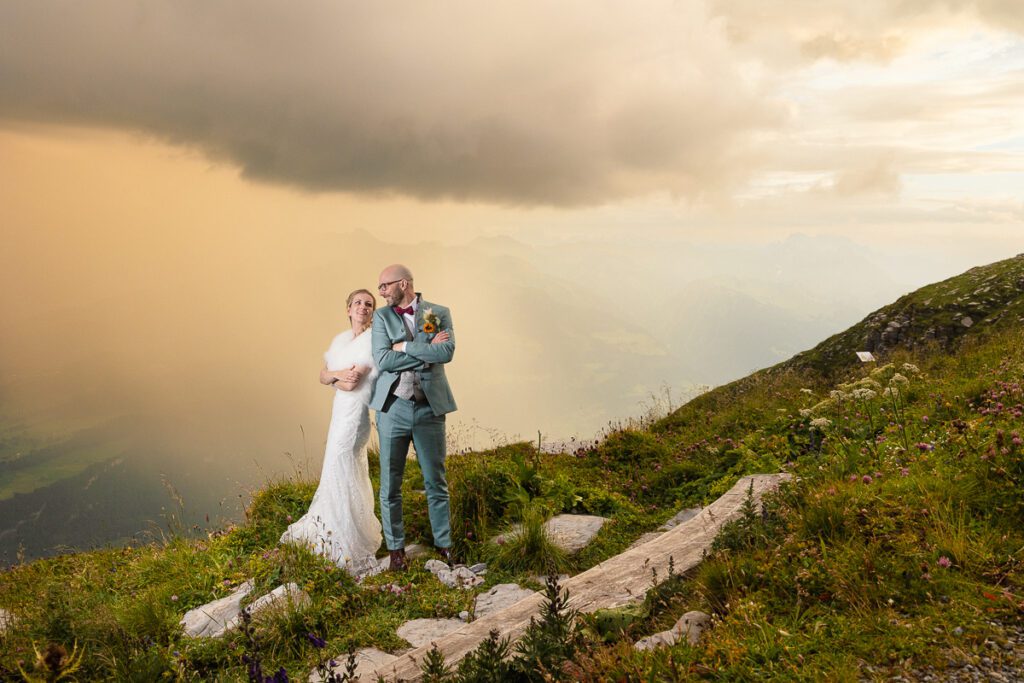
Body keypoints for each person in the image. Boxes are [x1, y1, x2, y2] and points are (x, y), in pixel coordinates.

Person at [280, 289, 383, 576]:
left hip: (355, 416)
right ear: (348, 309)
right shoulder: (340, 340)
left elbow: (352, 384)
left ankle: (347, 539)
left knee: (343, 463)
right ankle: (334, 526)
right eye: (358, 303)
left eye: (369, 304)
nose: (363, 307)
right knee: (336, 468)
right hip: (339, 414)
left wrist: (334, 377)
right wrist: (337, 375)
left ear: (373, 312)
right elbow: (323, 374)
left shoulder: (372, 340)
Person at [370, 264, 457, 571]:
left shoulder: (436, 313)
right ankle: (396, 551)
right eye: (379, 287)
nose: (381, 292)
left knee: (436, 480)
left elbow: (445, 352)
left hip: (429, 409)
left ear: (403, 283)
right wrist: (423, 350)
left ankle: (444, 545)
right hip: (392, 408)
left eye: (384, 286)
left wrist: (405, 346)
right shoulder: (381, 317)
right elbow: (383, 359)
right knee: (390, 484)